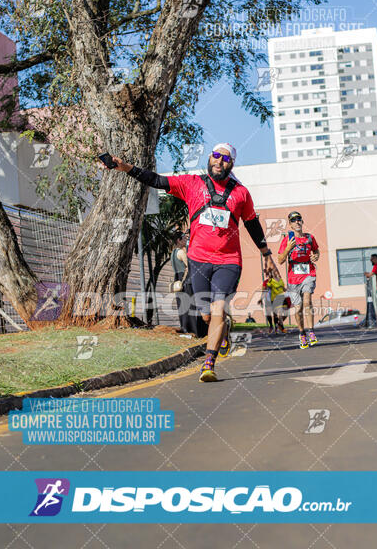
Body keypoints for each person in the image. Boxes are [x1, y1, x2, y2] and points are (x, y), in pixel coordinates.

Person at [106, 142, 279, 382]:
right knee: (207, 315)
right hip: (198, 259)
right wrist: (125, 168)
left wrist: (266, 254)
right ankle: (224, 331)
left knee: (218, 308)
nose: (219, 161)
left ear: (232, 164)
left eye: (225, 158)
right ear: (210, 158)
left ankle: (209, 361)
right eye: (216, 156)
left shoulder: (241, 193)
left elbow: (251, 223)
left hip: (228, 261)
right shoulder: (192, 184)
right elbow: (157, 180)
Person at [277, 211, 320, 349]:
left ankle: (311, 331)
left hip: (308, 272)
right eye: (294, 220)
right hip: (293, 277)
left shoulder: (310, 238)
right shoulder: (287, 240)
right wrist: (288, 248)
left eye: (299, 219)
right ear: (290, 224)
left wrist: (315, 256)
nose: (297, 222)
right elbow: (280, 260)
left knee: (307, 301)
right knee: (298, 307)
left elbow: (316, 251)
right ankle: (302, 333)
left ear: (302, 221)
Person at [170, 230, 207, 337]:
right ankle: (194, 330)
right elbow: (189, 266)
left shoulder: (172, 253)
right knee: (190, 305)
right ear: (178, 240)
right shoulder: (181, 252)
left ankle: (185, 328)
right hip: (185, 280)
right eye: (184, 238)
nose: (186, 240)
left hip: (177, 279)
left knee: (182, 306)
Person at [257, 267, 274, 333]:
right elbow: (263, 291)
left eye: (271, 273)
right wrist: (261, 299)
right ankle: (271, 326)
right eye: (268, 274)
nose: (270, 275)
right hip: (268, 299)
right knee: (268, 313)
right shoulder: (265, 282)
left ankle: (277, 325)